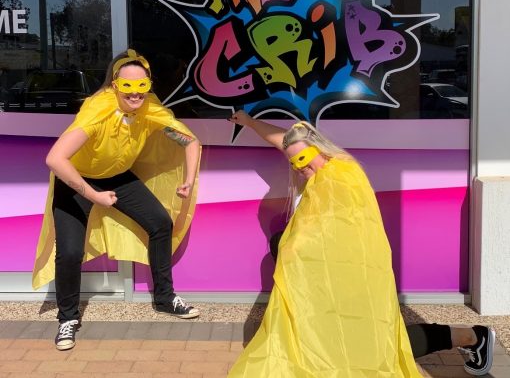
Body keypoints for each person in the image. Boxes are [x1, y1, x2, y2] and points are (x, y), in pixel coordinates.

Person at [227, 111, 495, 377]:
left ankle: (473, 337)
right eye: (295, 165)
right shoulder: (317, 168)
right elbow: (284, 140)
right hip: (323, 279)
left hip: (348, 275)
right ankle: (471, 336)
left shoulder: (340, 177)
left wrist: (293, 251)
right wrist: (250, 123)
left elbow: (348, 233)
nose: (301, 169)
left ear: (318, 148)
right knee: (351, 341)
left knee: (384, 343)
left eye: (305, 162)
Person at [32, 49, 201, 351]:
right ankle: (67, 318)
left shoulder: (149, 110)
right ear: (113, 85)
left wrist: (188, 179)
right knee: (70, 252)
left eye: (142, 86)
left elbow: (189, 141)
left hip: (119, 178)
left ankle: (164, 298)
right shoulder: (98, 113)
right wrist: (93, 194)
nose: (135, 93)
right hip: (77, 181)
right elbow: (55, 158)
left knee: (161, 224)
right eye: (127, 86)